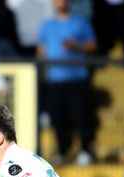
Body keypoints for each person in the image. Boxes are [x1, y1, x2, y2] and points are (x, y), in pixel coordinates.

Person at [37, 0, 97, 164]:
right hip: (55, 80)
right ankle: (63, 151)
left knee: (80, 116)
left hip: (77, 78)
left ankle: (85, 150)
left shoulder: (80, 22)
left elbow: (92, 45)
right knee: (58, 117)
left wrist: (76, 46)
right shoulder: (47, 25)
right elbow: (41, 49)